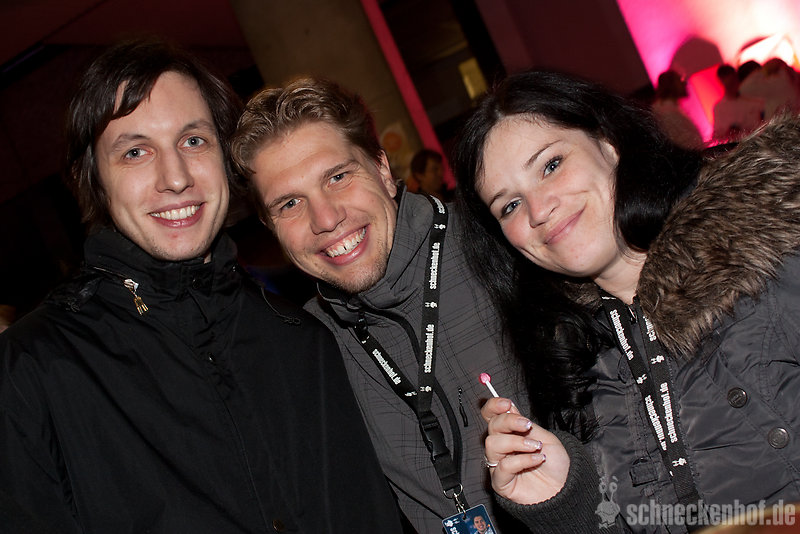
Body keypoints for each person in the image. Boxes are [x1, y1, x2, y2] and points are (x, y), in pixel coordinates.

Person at [0, 39, 403, 534]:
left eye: (193, 141)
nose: (175, 178)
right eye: (135, 152)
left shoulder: (303, 341)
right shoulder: (32, 373)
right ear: (95, 179)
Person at [453, 70, 800, 532]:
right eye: (510, 205)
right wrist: (567, 501)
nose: (539, 210)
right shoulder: (578, 362)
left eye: (551, 165)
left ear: (609, 144)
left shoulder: (771, 251)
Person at [231, 77, 530, 533]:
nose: (326, 219)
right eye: (290, 203)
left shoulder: (503, 244)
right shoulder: (308, 346)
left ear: (383, 169)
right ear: (270, 227)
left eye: (337, 177)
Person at [651, 69, 704, 149]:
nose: (684, 83)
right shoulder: (666, 111)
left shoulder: (670, 107)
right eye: (679, 80)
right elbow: (683, 142)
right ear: (671, 85)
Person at [712, 63, 764, 142]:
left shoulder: (753, 101)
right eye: (730, 84)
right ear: (722, 82)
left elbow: (759, 125)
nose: (733, 86)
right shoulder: (718, 108)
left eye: (733, 82)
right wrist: (728, 132)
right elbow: (717, 135)